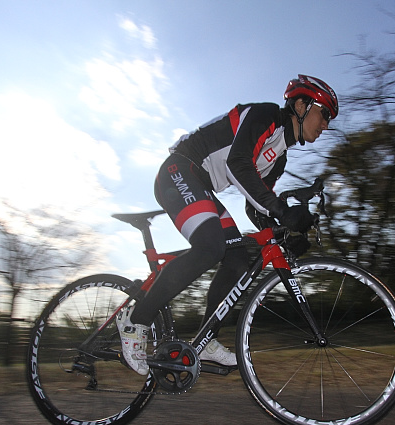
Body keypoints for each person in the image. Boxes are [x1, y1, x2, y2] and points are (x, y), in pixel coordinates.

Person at [116, 74, 339, 375]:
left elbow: (255, 205)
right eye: (324, 114)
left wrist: (284, 234)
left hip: (202, 187)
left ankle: (207, 339)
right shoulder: (266, 116)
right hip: (180, 169)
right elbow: (239, 164)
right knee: (211, 245)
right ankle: (136, 321)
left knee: (236, 258)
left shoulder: (279, 159)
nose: (326, 125)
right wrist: (279, 209)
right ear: (301, 104)